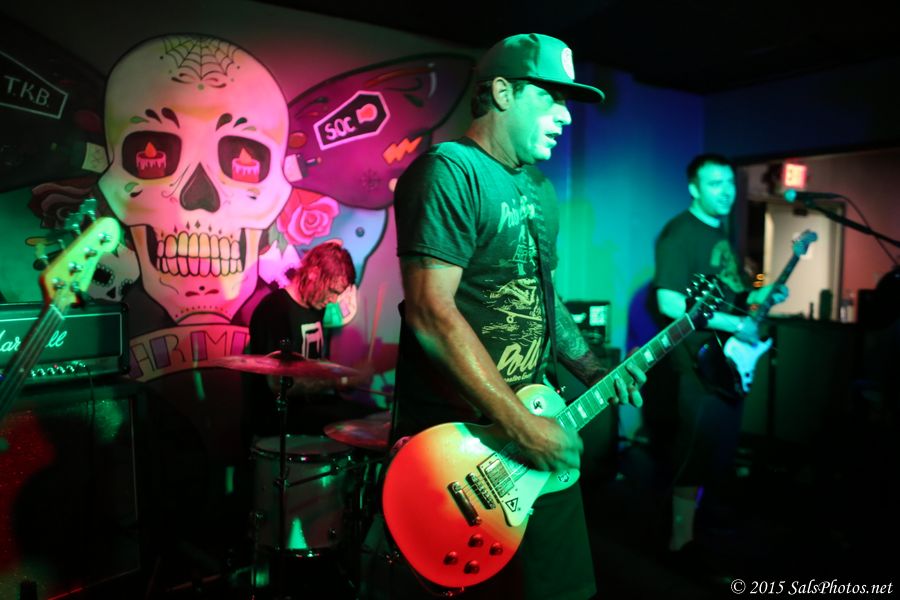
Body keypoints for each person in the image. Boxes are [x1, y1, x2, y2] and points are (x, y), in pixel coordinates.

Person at [384, 33, 646, 599]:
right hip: (465, 447)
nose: (565, 117)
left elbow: (542, 296)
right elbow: (430, 311)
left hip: (537, 425)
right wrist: (521, 427)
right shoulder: (451, 171)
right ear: (502, 92)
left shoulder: (539, 189)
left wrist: (594, 370)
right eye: (551, 98)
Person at [647, 153, 788, 563]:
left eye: (729, 182)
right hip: (697, 364)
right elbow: (669, 301)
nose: (726, 191)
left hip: (727, 365)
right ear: (694, 188)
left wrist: (761, 294)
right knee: (694, 453)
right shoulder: (679, 233)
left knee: (720, 452)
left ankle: (703, 530)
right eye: (714, 183)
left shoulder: (721, 233)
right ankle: (679, 543)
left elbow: (732, 292)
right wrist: (735, 324)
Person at [242, 240, 363, 444]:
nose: (334, 300)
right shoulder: (274, 310)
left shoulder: (316, 305)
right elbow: (278, 385)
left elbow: (313, 363)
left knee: (374, 418)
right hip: (280, 419)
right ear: (313, 273)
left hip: (311, 407)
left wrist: (344, 377)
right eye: (332, 291)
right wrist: (339, 381)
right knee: (359, 425)